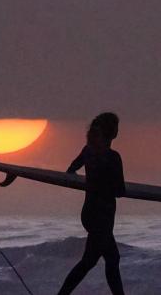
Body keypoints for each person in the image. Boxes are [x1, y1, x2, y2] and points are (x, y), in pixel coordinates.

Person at [58, 112, 126, 295]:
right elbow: (120, 191)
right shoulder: (113, 157)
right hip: (103, 216)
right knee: (112, 258)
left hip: (89, 213)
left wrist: (91, 182)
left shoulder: (88, 151)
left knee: (90, 261)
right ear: (113, 132)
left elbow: (70, 171)